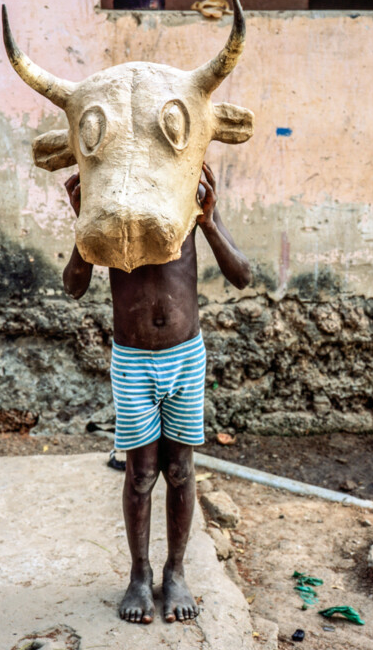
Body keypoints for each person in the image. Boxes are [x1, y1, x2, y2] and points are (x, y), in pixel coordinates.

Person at [62, 162, 251, 624]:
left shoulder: (186, 201)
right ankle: (140, 575)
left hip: (184, 356)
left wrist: (207, 220)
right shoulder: (110, 213)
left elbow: (242, 274)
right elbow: (74, 285)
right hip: (132, 361)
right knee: (142, 472)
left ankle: (176, 571)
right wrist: (85, 223)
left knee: (180, 470)